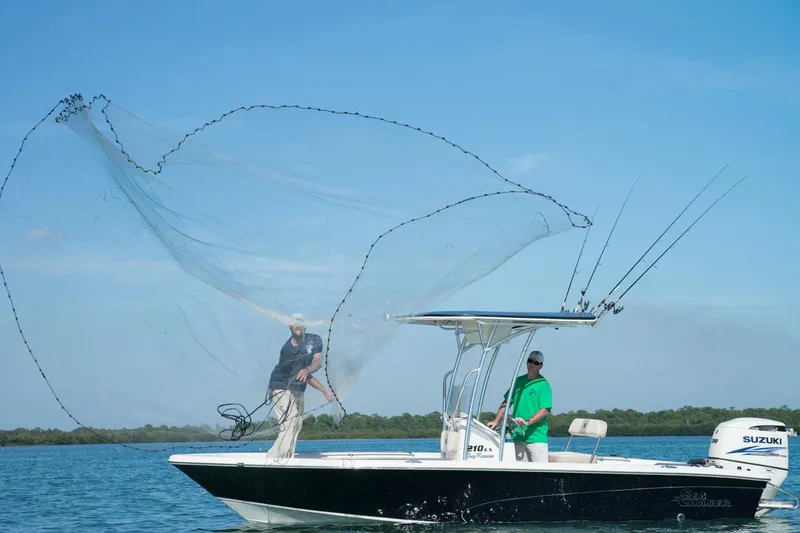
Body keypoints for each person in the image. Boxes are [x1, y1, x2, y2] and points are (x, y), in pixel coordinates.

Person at [266, 313, 332, 458]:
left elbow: (316, 363)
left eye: (301, 322)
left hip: (296, 389)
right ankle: (283, 460)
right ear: (290, 326)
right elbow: (304, 375)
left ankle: (273, 456)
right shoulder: (288, 349)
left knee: (296, 424)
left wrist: (324, 391)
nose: (298, 325)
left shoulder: (314, 340)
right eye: (295, 322)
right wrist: (307, 372)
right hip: (280, 386)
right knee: (290, 421)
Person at [487, 350, 552, 463]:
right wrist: (496, 421)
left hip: (536, 438)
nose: (531, 364)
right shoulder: (518, 381)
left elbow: (545, 410)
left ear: (541, 366)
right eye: (529, 361)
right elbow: (506, 403)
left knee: (540, 474)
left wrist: (528, 421)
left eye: (535, 363)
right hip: (518, 436)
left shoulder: (543, 385)